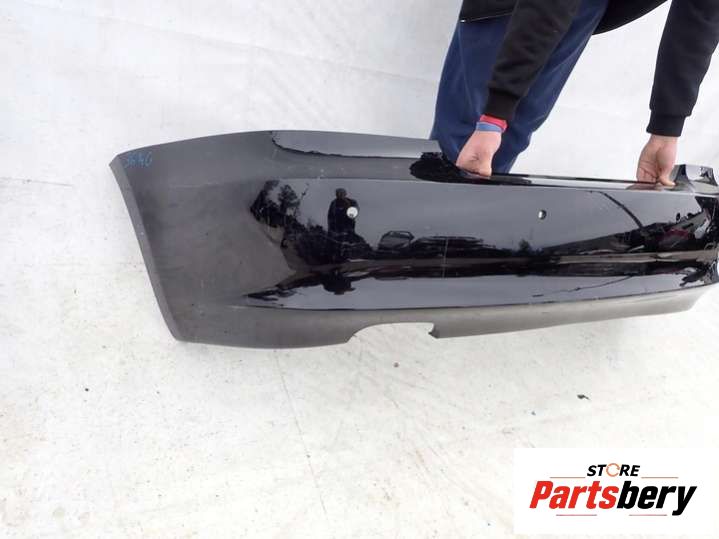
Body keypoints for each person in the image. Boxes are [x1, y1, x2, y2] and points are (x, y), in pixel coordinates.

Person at [431, 0, 719, 186]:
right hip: (517, 8)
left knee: (496, 151)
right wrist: (494, 115)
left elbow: (701, 12)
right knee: (466, 150)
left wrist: (666, 130)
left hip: (582, 9)